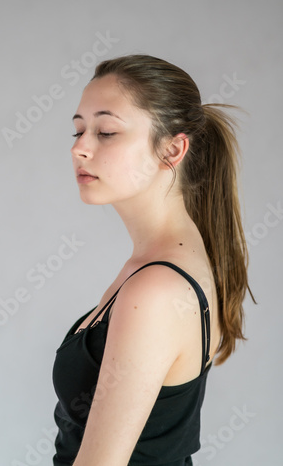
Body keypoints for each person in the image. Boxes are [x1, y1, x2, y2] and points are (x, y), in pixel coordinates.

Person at [52, 54, 254, 466]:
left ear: (173, 149)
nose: (79, 148)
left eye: (106, 132)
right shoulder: (154, 266)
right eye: (78, 130)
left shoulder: (157, 289)